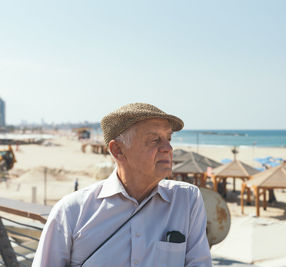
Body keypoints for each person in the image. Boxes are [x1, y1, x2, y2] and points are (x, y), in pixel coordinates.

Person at [33, 103, 212, 267]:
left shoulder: (187, 200)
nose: (168, 148)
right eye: (155, 140)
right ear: (118, 150)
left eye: (168, 139)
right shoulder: (71, 211)